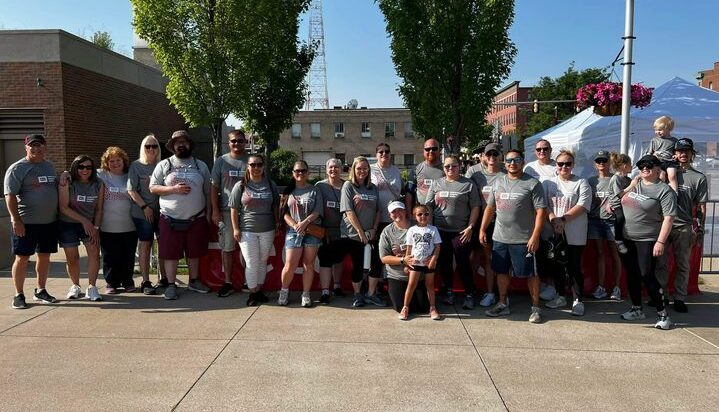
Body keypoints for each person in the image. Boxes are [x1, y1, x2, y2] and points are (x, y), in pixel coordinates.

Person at [480, 149, 547, 323]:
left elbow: (541, 212)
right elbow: (490, 208)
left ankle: (535, 308)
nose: (512, 163)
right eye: (509, 160)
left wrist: (535, 236)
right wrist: (482, 228)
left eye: (516, 160)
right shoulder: (498, 182)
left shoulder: (532, 183)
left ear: (523, 162)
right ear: (505, 163)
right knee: (501, 272)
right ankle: (502, 303)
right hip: (500, 238)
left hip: (524, 239)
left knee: (531, 274)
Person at [150, 130, 212, 300]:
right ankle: (171, 285)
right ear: (173, 146)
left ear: (190, 145)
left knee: (194, 252)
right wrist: (173, 189)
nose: (181, 145)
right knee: (170, 254)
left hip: (196, 217)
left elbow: (208, 191)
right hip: (170, 218)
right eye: (177, 142)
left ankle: (194, 281)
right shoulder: (164, 165)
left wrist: (209, 212)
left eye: (184, 142)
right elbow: (153, 187)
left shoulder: (201, 166)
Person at [618, 155, 676, 330]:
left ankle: (663, 314)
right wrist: (631, 185)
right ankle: (637, 308)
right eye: (641, 165)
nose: (644, 168)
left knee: (646, 275)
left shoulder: (664, 191)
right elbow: (617, 199)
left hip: (648, 239)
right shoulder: (636, 185)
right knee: (632, 274)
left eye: (649, 165)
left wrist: (660, 242)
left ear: (658, 169)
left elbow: (669, 219)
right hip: (628, 237)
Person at [5, 134, 59, 309]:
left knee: (44, 256)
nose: (36, 149)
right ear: (26, 148)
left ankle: (41, 290)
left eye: (39, 146)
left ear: (45, 147)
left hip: (49, 222)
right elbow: (10, 195)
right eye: (32, 146)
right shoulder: (17, 169)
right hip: (26, 222)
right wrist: (16, 219)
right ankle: (18, 294)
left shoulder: (49, 166)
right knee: (22, 258)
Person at [654, 138, 707, 313]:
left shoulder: (699, 177)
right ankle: (661, 296)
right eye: (680, 151)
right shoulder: (663, 172)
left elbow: (701, 206)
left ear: (692, 154)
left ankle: (679, 297)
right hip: (663, 226)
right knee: (661, 263)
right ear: (674, 153)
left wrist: (699, 229)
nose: (683, 154)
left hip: (683, 226)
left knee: (683, 264)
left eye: (687, 151)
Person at [426, 154, 481, 309]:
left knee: (463, 263)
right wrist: (430, 227)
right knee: (444, 263)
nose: (450, 169)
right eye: (447, 166)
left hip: (461, 232)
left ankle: (469, 293)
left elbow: (476, 207)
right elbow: (428, 206)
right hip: (440, 231)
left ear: (460, 166)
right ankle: (448, 291)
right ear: (443, 168)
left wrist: (470, 227)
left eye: (454, 165)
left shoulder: (468, 184)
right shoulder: (437, 184)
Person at [542, 150, 592, 316]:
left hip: (575, 231)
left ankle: (578, 300)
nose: (564, 166)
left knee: (574, 266)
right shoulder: (548, 183)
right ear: (556, 165)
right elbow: (544, 205)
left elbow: (583, 205)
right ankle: (560, 295)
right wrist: (553, 220)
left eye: (568, 163)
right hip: (554, 230)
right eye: (560, 163)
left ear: (573, 165)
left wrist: (563, 220)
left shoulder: (581, 182)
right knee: (556, 265)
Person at [229, 154, 278, 306]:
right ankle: (252, 292)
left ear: (263, 166)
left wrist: (277, 224)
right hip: (247, 230)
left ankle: (259, 290)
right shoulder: (241, 185)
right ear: (248, 167)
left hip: (267, 229)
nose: (256, 168)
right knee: (251, 262)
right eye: (252, 165)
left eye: (259, 164)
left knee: (263, 261)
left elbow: (275, 205)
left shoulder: (270, 184)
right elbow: (233, 209)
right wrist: (236, 228)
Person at [278, 160, 323, 307]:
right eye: (297, 171)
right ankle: (284, 291)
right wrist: (296, 225)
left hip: (311, 230)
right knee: (290, 264)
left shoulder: (314, 190)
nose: (300, 173)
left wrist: (305, 223)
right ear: (293, 173)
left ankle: (306, 294)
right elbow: (283, 213)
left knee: (308, 264)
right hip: (294, 231)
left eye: (303, 170)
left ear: (308, 173)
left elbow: (317, 211)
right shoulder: (288, 191)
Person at [58, 155, 104, 301]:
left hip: (90, 224)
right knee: (72, 257)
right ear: (75, 167)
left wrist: (95, 227)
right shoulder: (68, 182)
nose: (85, 170)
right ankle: (75, 286)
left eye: (88, 167)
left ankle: (92, 287)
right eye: (81, 167)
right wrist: (84, 221)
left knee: (94, 252)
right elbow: (63, 208)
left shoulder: (98, 183)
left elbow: (99, 209)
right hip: (68, 223)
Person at [466, 143, 505, 307]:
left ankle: (492, 292)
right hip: (479, 221)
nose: (491, 158)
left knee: (492, 259)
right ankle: (471, 291)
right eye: (488, 155)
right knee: (475, 257)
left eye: (495, 155)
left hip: (500, 222)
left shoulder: (505, 174)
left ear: (500, 156)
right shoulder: (475, 174)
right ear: (483, 156)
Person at [338, 156, 380, 308]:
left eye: (365, 168)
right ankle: (357, 295)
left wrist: (374, 229)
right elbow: (349, 212)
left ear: (368, 170)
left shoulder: (373, 188)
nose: (362, 171)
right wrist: (361, 233)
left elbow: (378, 211)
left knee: (375, 263)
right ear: (353, 170)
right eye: (359, 168)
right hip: (354, 234)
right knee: (358, 265)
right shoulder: (348, 186)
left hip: (371, 233)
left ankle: (370, 294)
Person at [211, 130, 249, 298]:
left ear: (245, 142)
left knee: (249, 248)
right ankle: (228, 282)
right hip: (227, 212)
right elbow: (214, 188)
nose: (237, 144)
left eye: (240, 141)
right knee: (227, 248)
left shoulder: (252, 162)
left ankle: (250, 282)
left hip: (249, 213)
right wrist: (215, 210)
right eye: (234, 141)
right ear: (229, 142)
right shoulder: (221, 161)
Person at [97, 147, 139, 294]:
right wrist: (65, 174)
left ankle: (128, 281)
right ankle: (111, 283)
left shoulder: (130, 176)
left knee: (128, 256)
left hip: (129, 225)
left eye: (118, 160)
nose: (115, 163)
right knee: (110, 257)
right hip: (107, 226)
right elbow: (78, 173)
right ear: (106, 163)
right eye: (111, 161)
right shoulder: (101, 175)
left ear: (124, 161)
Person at [127, 133, 165, 295]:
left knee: (164, 244)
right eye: (147, 146)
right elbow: (131, 189)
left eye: (154, 146)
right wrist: (144, 207)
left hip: (163, 211)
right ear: (143, 148)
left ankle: (165, 279)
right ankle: (145, 281)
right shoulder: (136, 166)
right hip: (142, 212)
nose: (151, 149)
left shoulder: (164, 165)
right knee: (146, 244)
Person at [379, 201, 430, 315]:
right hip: (397, 275)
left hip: (417, 274)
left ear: (406, 211)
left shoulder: (418, 225)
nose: (397, 213)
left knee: (422, 308)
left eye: (400, 210)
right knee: (399, 307)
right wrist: (403, 260)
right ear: (390, 215)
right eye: (394, 212)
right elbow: (384, 258)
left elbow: (430, 244)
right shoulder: (387, 232)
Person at [523, 139, 558, 301]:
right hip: (534, 216)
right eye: (538, 149)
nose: (542, 152)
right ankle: (541, 283)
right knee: (539, 251)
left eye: (545, 149)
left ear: (550, 150)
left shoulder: (558, 166)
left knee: (553, 252)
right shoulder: (529, 168)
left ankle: (552, 285)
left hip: (554, 215)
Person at [587, 150, 622, 301]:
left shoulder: (616, 179)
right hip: (595, 220)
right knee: (600, 254)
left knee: (615, 254)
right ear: (595, 164)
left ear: (609, 162)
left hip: (612, 221)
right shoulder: (590, 181)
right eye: (598, 161)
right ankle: (601, 287)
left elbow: (623, 196)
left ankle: (617, 287)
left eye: (604, 160)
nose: (601, 163)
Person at [369, 143, 403, 295]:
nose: (384, 154)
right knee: (377, 255)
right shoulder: (371, 169)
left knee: (394, 253)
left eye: (387, 152)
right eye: (380, 152)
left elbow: (400, 193)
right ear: (376, 154)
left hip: (393, 219)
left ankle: (388, 284)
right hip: (376, 219)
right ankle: (374, 287)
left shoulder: (396, 170)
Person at [401, 204, 442, 321]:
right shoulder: (412, 230)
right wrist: (406, 263)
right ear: (414, 216)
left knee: (430, 285)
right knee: (411, 285)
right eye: (419, 214)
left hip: (429, 263)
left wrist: (434, 259)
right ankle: (405, 307)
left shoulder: (433, 229)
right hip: (415, 262)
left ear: (429, 215)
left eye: (426, 214)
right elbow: (409, 248)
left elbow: (437, 247)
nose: (423, 216)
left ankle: (432, 308)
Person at [315, 158, 347, 303]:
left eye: (336, 167)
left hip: (343, 231)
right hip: (325, 230)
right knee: (325, 260)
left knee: (339, 259)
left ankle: (337, 286)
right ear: (327, 169)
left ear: (341, 169)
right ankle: (325, 291)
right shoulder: (320, 186)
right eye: (331, 167)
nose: (333, 170)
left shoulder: (347, 186)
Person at [608, 153, 635, 256]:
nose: (632, 167)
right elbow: (619, 194)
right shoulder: (616, 178)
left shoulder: (627, 179)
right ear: (625, 166)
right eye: (630, 164)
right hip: (617, 205)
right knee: (620, 217)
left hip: (627, 204)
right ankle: (618, 239)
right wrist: (632, 186)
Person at [406, 138, 444, 208]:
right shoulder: (416, 169)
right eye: (427, 149)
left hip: (441, 215)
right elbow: (409, 193)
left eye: (434, 148)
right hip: (422, 216)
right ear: (423, 151)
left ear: (439, 150)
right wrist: (409, 213)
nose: (431, 151)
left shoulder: (447, 169)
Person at [645, 116, 679, 192]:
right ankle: (661, 191)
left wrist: (675, 155)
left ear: (668, 129)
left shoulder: (674, 140)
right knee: (661, 175)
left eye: (660, 130)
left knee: (672, 175)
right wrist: (652, 157)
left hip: (670, 161)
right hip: (659, 162)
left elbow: (677, 151)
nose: (657, 132)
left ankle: (675, 192)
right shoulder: (654, 140)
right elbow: (649, 152)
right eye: (656, 130)